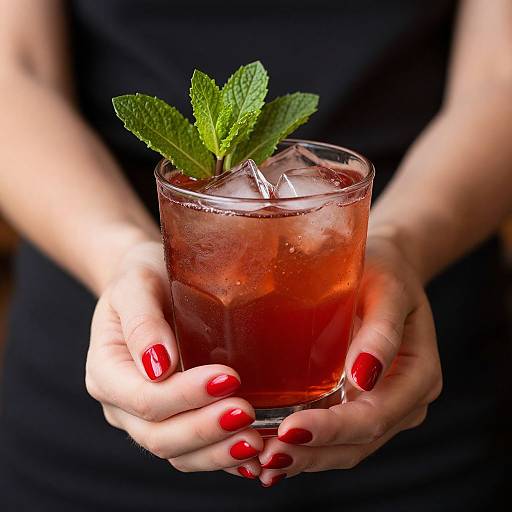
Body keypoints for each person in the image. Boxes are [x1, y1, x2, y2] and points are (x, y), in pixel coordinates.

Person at [0, 0, 510, 510]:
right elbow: (14, 66)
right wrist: (119, 254)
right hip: (95, 391)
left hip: (422, 388)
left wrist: (402, 244)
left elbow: (499, 75)